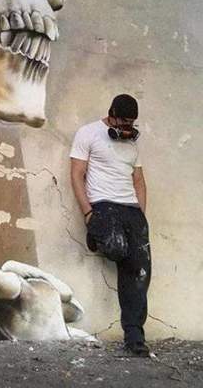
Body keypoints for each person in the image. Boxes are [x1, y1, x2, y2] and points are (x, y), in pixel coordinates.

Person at [70, 94, 151, 357]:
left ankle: (135, 338)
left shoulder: (132, 145)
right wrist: (88, 214)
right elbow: (77, 174)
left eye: (131, 123)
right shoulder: (88, 133)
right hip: (103, 205)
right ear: (112, 114)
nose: (127, 128)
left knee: (139, 272)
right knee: (116, 248)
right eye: (123, 122)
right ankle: (97, 234)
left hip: (131, 210)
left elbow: (138, 180)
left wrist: (141, 216)